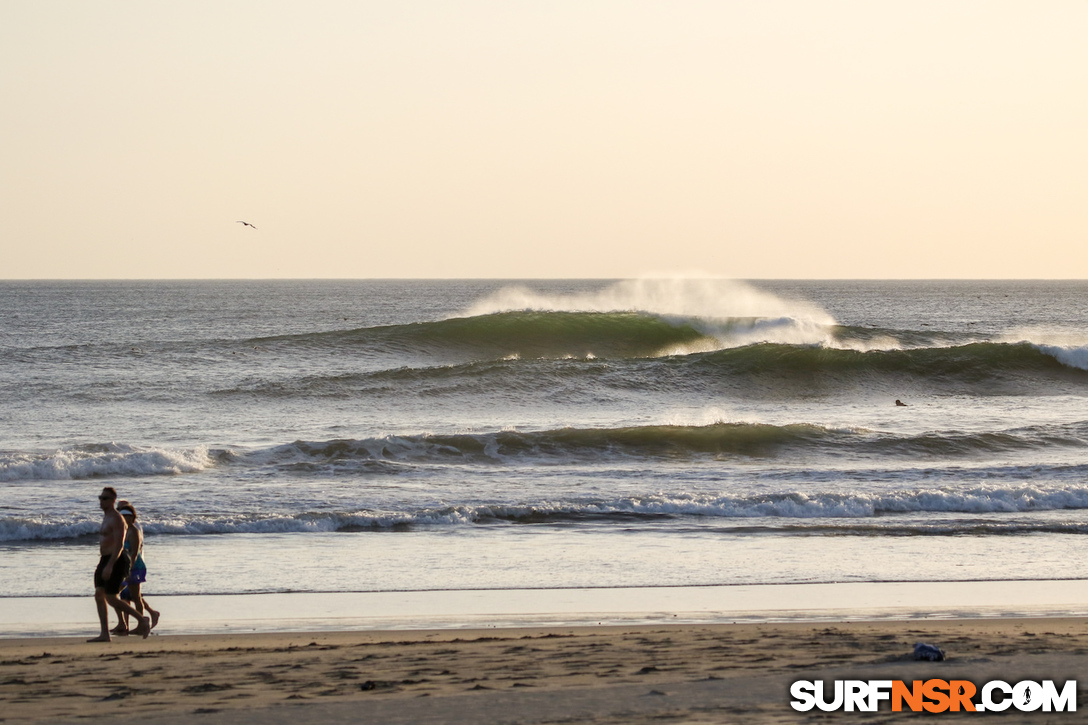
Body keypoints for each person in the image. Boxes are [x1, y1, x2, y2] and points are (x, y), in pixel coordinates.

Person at [89, 487, 150, 642]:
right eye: (100, 498)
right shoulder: (106, 517)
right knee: (99, 594)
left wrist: (110, 565)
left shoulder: (116, 518)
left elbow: (120, 543)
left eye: (105, 498)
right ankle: (105, 634)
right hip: (105, 559)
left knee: (111, 597)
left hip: (116, 559)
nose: (101, 501)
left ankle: (142, 620)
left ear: (113, 501)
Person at [110, 501, 161, 635]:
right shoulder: (121, 530)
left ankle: (140, 624)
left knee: (132, 596)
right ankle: (124, 624)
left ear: (133, 517)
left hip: (133, 567)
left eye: (126, 515)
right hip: (122, 565)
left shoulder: (134, 530)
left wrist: (128, 569)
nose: (124, 517)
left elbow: (134, 552)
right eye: (121, 514)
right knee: (120, 595)